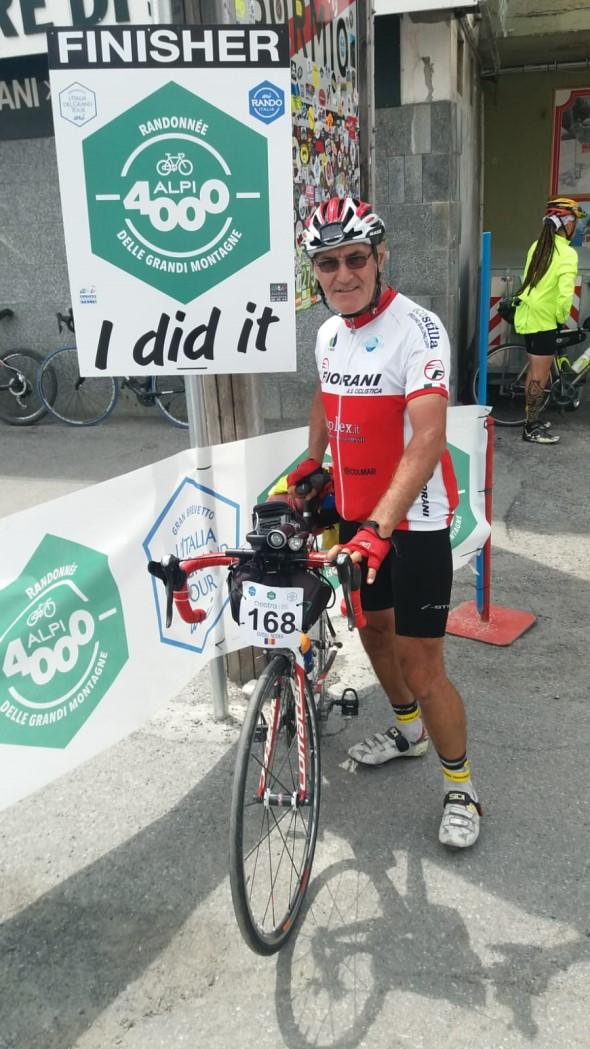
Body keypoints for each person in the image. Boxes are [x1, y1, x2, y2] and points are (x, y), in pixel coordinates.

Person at [287, 196, 481, 849]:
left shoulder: (417, 329)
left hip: (412, 519)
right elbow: (325, 391)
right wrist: (312, 461)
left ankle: (462, 787)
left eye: (355, 258)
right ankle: (408, 730)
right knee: (372, 632)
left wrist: (382, 525)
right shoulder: (326, 331)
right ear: (314, 271)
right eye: (327, 262)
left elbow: (427, 438)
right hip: (352, 510)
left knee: (423, 662)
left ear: (379, 257)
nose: (342, 273)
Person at [514, 195, 583, 445]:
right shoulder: (567, 253)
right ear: (565, 222)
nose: (575, 227)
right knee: (539, 376)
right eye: (574, 221)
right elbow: (566, 295)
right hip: (544, 321)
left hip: (528, 317)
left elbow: (527, 278)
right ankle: (530, 427)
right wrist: (559, 318)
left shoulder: (537, 245)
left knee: (534, 371)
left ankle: (532, 420)